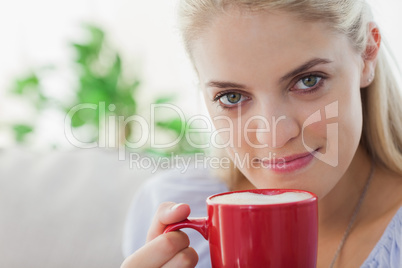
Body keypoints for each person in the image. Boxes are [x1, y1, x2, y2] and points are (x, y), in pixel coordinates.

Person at [121, 0, 402, 267]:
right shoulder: (170, 215)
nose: (274, 137)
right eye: (231, 97)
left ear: (367, 54)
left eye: (308, 81)